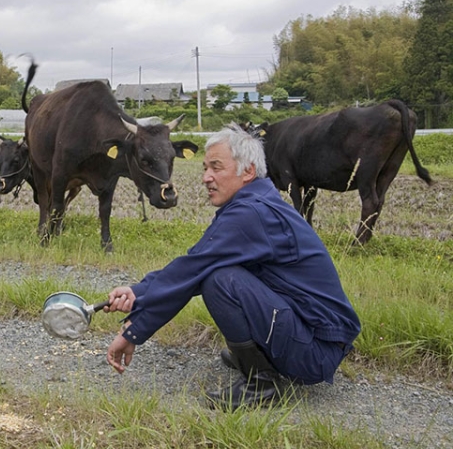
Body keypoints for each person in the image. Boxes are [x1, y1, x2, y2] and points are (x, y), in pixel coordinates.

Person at [104, 123, 361, 409]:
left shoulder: (252, 213)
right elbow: (196, 260)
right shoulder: (255, 201)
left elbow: (195, 269)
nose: (206, 178)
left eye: (216, 167)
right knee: (216, 271)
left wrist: (133, 330)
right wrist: (137, 292)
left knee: (219, 280)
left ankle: (261, 382)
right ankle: (259, 358)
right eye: (204, 168)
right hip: (314, 338)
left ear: (248, 171)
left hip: (316, 350)